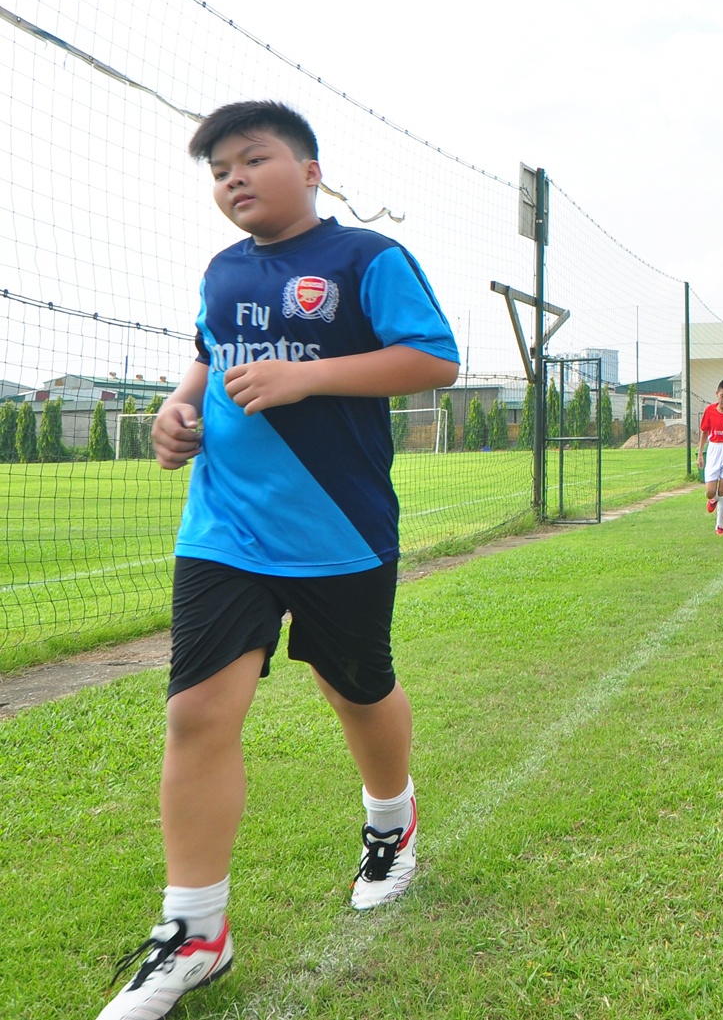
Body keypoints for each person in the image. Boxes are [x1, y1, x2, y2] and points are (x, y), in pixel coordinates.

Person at [101, 102, 460, 1019]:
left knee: (358, 688)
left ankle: (392, 820)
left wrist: (306, 375)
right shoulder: (222, 272)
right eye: (219, 169)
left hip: (338, 529)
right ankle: (195, 931)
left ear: (308, 167)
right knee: (196, 711)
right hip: (225, 527)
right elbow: (210, 355)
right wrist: (177, 409)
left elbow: (434, 357)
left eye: (251, 158)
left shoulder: (364, 258)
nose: (233, 178)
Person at [697, 380, 723, 536]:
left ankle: (720, 525)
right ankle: (712, 499)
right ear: (717, 394)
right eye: (722, 396)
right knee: (710, 492)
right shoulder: (710, 411)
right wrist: (701, 453)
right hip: (714, 449)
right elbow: (704, 432)